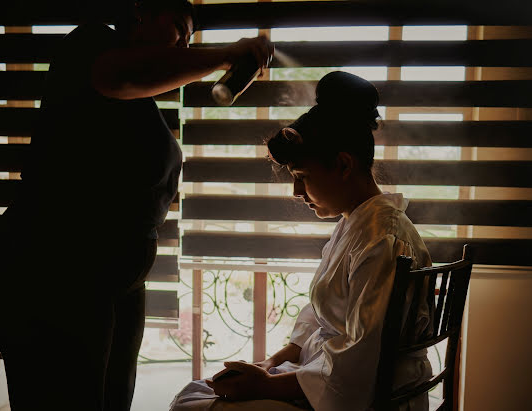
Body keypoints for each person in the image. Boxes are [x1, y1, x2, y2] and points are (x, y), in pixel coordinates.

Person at [0, 1, 274, 410]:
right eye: (178, 28)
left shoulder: (137, 107)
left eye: (190, 38)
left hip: (107, 282)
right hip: (50, 273)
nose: (184, 45)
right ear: (140, 13)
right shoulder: (91, 45)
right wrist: (225, 54)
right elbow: (126, 74)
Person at [170, 71, 434, 411]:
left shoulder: (381, 239)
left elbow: (357, 366)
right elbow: (322, 319)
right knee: (197, 391)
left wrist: (266, 385)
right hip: (327, 379)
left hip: (357, 399)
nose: (297, 193)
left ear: (342, 165)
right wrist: (268, 365)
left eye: (302, 177)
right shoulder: (359, 225)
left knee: (189, 406)